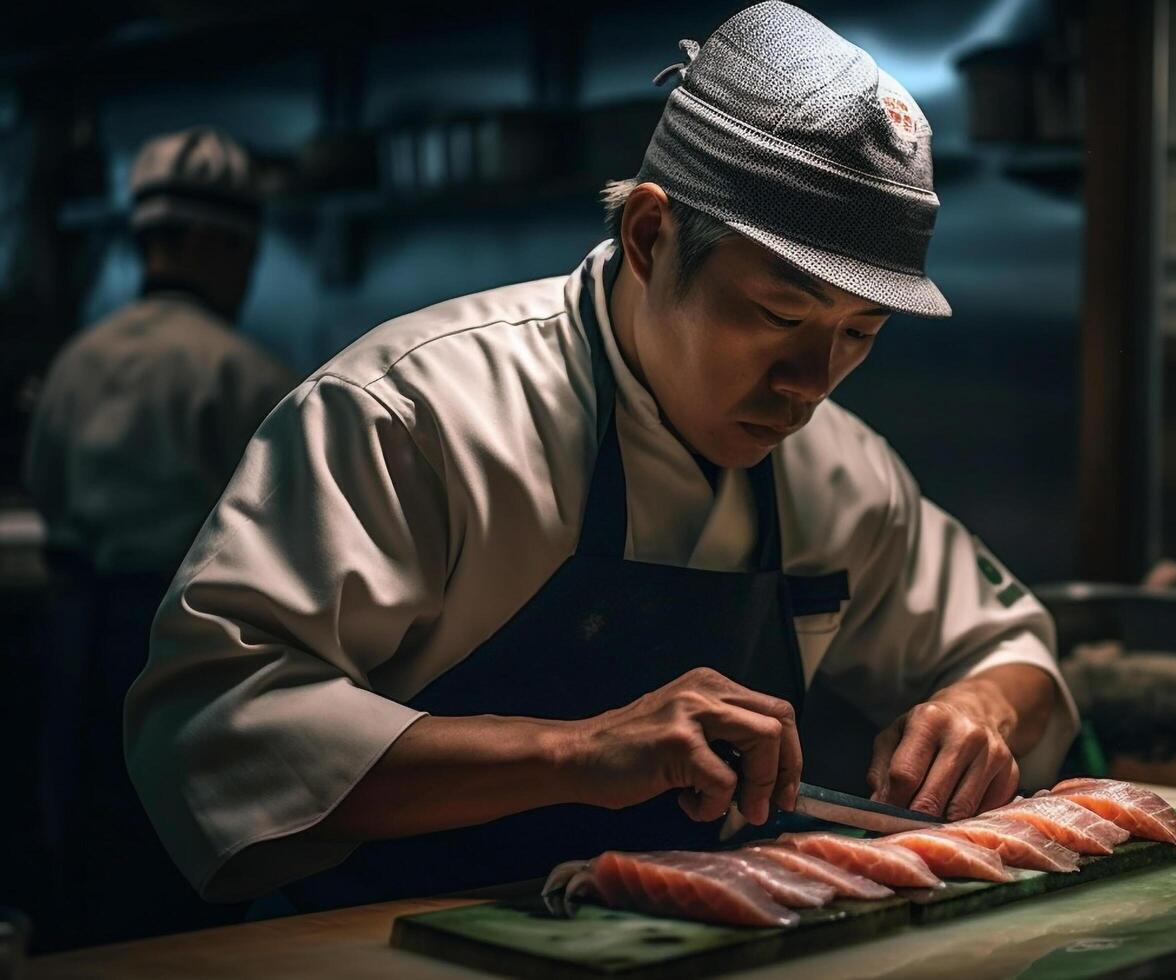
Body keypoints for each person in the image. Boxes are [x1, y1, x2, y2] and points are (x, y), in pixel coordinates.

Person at [126, 2, 1078, 910]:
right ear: (651, 235)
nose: (810, 380)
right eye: (778, 315)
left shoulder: (840, 471)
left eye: (858, 334)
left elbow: (1007, 645)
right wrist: (571, 753)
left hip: (686, 935)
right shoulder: (416, 414)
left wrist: (982, 708)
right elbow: (212, 728)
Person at [24, 126, 295, 941]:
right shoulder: (243, 372)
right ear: (218, 243)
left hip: (75, 634)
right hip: (192, 642)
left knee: (68, 843)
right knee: (171, 871)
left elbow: (47, 493)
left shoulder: (77, 359)